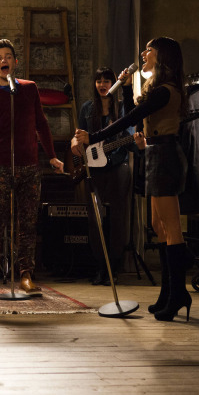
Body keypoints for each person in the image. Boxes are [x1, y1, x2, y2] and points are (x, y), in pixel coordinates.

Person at [75, 37, 190, 322]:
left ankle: (178, 294)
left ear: (162, 56)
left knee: (171, 228)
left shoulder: (165, 90)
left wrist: (94, 136)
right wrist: (127, 88)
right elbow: (136, 119)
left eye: (149, 49)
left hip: (166, 156)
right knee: (158, 226)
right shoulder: (156, 89)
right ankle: (167, 293)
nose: (143, 53)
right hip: (155, 154)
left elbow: (128, 120)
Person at [0, 39, 64, 298]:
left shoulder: (29, 89)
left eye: (8, 56)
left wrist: (52, 156)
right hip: (2, 169)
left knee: (28, 223)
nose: (4, 60)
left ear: (15, 62)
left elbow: (41, 124)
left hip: (29, 167)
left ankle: (26, 276)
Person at [71, 67, 135, 285]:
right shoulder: (87, 108)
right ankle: (100, 266)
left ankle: (113, 268)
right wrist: (75, 144)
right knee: (95, 219)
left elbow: (129, 139)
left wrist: (128, 146)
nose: (102, 85)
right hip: (93, 168)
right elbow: (79, 135)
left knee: (118, 217)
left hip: (118, 166)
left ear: (113, 84)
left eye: (107, 81)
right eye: (99, 81)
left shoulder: (123, 108)